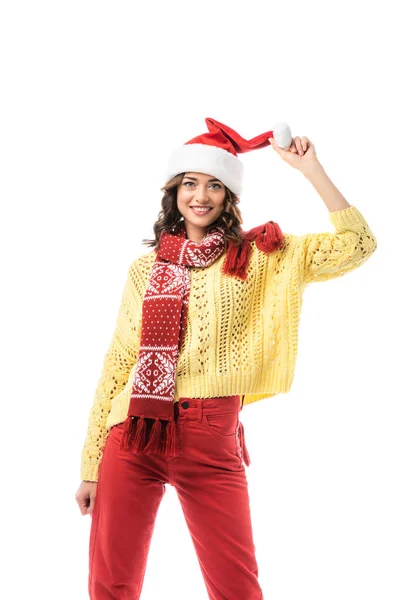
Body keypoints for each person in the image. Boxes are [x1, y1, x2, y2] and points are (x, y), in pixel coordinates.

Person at [75, 117, 377, 600]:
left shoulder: (261, 255)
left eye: (215, 185)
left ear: (228, 197)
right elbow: (118, 362)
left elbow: (358, 245)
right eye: (190, 183)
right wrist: (91, 464)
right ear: (174, 192)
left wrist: (311, 170)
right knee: (110, 585)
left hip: (209, 436)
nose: (201, 195)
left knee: (236, 587)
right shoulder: (145, 268)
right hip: (130, 433)